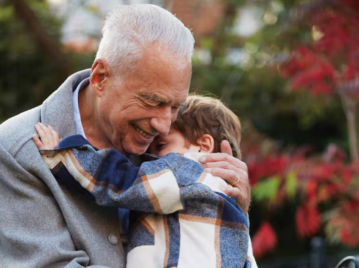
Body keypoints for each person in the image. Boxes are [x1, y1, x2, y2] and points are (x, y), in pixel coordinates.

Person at [0, 4, 250, 268]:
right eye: (152, 101)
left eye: (175, 107)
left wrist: (230, 209)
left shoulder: (173, 147)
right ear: (100, 78)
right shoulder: (17, 151)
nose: (164, 126)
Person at [33, 95, 257, 268]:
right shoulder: (233, 204)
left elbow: (121, 183)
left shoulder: (185, 171)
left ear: (203, 145)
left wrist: (65, 155)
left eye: (161, 146)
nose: (150, 159)